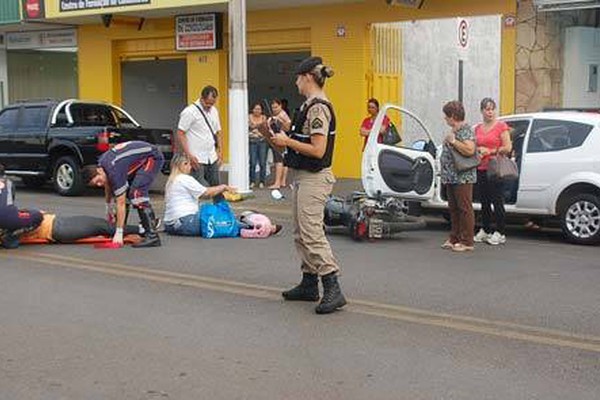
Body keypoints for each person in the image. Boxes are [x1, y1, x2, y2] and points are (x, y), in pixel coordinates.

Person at [271, 56, 346, 314]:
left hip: (314, 177)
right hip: (303, 175)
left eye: (298, 77)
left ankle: (332, 286)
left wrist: (286, 142)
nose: (295, 82)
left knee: (312, 232)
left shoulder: (318, 108)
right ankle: (309, 282)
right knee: (301, 232)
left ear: (308, 78)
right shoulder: (309, 106)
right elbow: (305, 136)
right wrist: (288, 129)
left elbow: (317, 149)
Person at [87, 141, 164, 248]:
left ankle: (152, 236)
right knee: (126, 193)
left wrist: (118, 234)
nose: (99, 184)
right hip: (139, 158)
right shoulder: (102, 164)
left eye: (98, 181)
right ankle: (126, 228)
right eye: (96, 184)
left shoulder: (113, 170)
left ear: (99, 171)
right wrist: (108, 205)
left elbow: (121, 203)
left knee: (137, 193)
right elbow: (108, 184)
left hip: (152, 157)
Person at [163, 154, 235, 236]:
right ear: (180, 165)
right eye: (187, 164)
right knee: (219, 219)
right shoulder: (184, 178)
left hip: (170, 224)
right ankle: (245, 225)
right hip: (185, 221)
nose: (190, 167)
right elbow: (206, 193)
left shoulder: (171, 181)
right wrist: (223, 187)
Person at [473, 98, 512, 246]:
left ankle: (500, 232)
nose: (490, 112)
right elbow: (474, 145)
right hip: (481, 167)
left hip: (496, 168)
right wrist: (478, 150)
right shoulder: (477, 128)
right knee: (484, 201)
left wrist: (491, 151)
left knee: (497, 201)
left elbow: (507, 147)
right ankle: (486, 229)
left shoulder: (501, 126)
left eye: (492, 109)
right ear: (482, 111)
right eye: (487, 109)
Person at [440, 101, 477, 252]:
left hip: (463, 176)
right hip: (451, 176)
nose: (445, 119)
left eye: (446, 116)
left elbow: (470, 149)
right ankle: (454, 237)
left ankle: (467, 241)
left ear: (453, 116)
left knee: (464, 208)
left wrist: (453, 141)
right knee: (453, 208)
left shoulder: (465, 130)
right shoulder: (455, 131)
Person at [177, 85, 224, 195]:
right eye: (207, 104)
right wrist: (189, 155)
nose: (209, 106)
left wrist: (220, 152)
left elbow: (218, 132)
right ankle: (200, 211)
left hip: (211, 156)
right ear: (202, 98)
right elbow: (180, 133)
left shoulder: (214, 111)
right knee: (199, 189)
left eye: (212, 104)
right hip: (196, 157)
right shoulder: (189, 112)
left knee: (216, 187)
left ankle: (219, 210)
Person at [15, 213, 140, 244]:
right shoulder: (9, 227)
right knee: (102, 226)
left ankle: (142, 229)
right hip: (57, 228)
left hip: (58, 223)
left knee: (101, 224)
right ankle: (143, 229)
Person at [0, 163, 43, 249]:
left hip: (6, 215)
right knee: (38, 216)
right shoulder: (8, 183)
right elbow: (8, 207)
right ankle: (11, 235)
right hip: (7, 217)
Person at [268, 98, 292, 189]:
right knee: (283, 161)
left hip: (282, 139)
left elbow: (287, 127)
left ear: (280, 106)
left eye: (276, 107)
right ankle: (282, 181)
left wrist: (279, 121)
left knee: (279, 161)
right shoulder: (275, 116)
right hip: (279, 139)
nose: (274, 109)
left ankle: (277, 182)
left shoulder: (283, 115)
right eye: (273, 107)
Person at [248, 102, 268, 189]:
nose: (257, 111)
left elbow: (265, 129)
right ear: (252, 109)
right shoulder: (249, 117)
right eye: (255, 109)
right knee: (252, 162)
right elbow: (250, 126)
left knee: (262, 162)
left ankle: (262, 181)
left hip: (262, 141)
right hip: (252, 141)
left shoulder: (264, 118)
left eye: (259, 109)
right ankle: (252, 181)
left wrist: (256, 129)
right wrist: (258, 128)